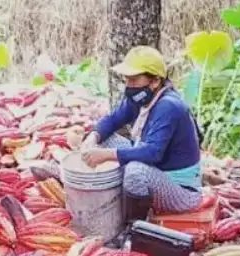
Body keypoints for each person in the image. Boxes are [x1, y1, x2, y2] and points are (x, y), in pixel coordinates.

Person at [80, 46, 203, 231]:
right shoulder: (142, 98)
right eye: (127, 79)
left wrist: (106, 155)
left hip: (181, 191)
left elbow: (153, 153)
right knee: (103, 140)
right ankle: (120, 199)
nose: (128, 85)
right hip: (157, 171)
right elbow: (114, 119)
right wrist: (93, 137)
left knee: (135, 172)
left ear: (155, 81)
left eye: (134, 79)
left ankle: (134, 228)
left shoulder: (168, 106)